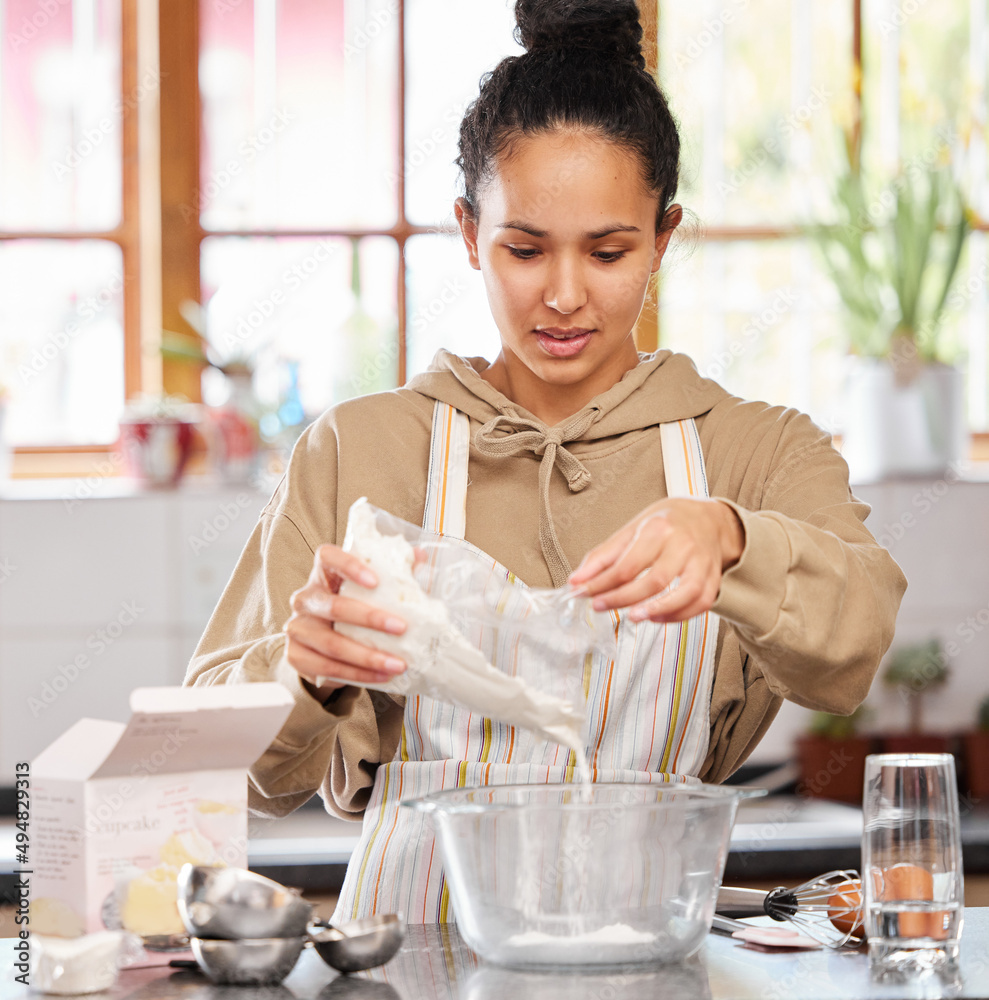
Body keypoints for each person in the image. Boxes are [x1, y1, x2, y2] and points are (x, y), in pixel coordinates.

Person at [185, 0, 906, 924]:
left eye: (609, 251)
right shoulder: (360, 449)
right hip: (408, 961)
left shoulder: (751, 449)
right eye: (522, 249)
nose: (563, 296)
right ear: (465, 232)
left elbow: (851, 646)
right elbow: (218, 765)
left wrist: (728, 538)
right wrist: (307, 672)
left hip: (648, 962)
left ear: (663, 238)